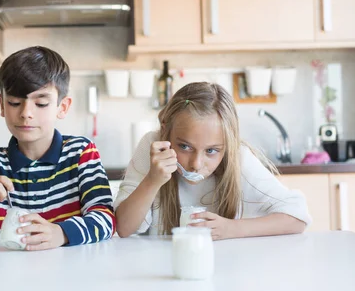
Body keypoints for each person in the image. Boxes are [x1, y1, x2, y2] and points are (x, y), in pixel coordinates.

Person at [0, 46, 115, 250]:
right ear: (1, 104)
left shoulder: (81, 153)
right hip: (12, 274)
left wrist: (61, 233)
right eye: (15, 102)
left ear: (63, 107)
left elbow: (106, 220)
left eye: (40, 103)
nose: (26, 113)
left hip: (73, 273)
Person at [115, 82, 310, 239]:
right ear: (165, 130)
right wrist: (152, 180)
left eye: (211, 151)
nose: (196, 164)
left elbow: (297, 217)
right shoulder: (153, 147)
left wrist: (232, 229)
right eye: (184, 146)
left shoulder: (237, 158)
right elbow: (124, 228)